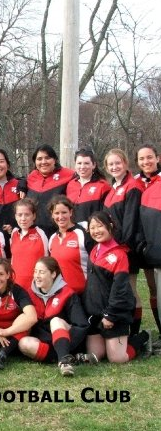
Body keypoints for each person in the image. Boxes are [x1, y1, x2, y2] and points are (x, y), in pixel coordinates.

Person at [82, 211, 151, 363]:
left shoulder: (120, 255)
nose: (96, 231)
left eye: (99, 226)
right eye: (92, 227)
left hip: (114, 314)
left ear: (110, 226)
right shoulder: (95, 249)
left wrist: (111, 315)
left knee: (117, 358)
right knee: (96, 355)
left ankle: (143, 338)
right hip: (95, 313)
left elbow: (120, 290)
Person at [18, 257, 94, 377]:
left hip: (67, 340)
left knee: (55, 321)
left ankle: (64, 361)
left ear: (53, 274)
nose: (37, 275)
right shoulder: (29, 294)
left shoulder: (68, 293)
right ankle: (66, 358)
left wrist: (68, 347)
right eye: (35, 271)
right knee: (24, 343)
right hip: (47, 343)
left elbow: (81, 325)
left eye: (42, 272)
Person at [103, 148, 144, 335]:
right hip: (113, 248)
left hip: (127, 248)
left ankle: (135, 333)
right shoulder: (112, 189)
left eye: (118, 163)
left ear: (125, 163)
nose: (114, 167)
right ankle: (125, 329)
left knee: (131, 290)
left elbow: (131, 221)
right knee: (121, 291)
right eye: (111, 164)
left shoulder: (132, 186)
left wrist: (122, 246)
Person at [134, 143, 161, 346]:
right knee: (151, 290)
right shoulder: (137, 183)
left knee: (157, 289)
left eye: (149, 157)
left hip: (157, 246)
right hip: (144, 246)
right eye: (142, 159)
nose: (146, 162)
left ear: (157, 158)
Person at [18, 144, 74, 237]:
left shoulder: (69, 175)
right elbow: (20, 181)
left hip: (58, 233)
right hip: (33, 233)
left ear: (55, 159)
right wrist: (22, 185)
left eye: (47, 158)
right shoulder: (32, 176)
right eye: (39, 159)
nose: (43, 162)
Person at [47, 195, 93, 294]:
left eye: (64, 212)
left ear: (71, 212)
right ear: (52, 214)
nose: (60, 217)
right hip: (60, 295)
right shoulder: (52, 239)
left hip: (83, 294)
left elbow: (95, 264)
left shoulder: (82, 234)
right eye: (57, 213)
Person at [10, 198, 48, 291]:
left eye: (27, 214)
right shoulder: (14, 233)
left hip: (36, 287)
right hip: (16, 286)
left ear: (34, 216)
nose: (23, 218)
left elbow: (47, 260)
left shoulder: (41, 233)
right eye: (20, 215)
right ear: (15, 216)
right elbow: (13, 260)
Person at [66, 148, 110, 227]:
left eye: (86, 163)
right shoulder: (70, 184)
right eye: (79, 163)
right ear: (75, 165)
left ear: (93, 165)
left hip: (93, 233)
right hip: (73, 233)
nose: (82, 167)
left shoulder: (103, 186)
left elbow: (105, 215)